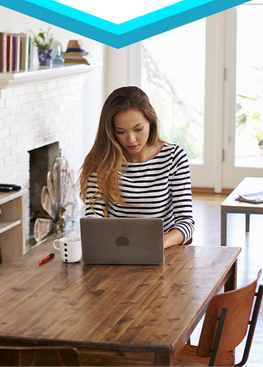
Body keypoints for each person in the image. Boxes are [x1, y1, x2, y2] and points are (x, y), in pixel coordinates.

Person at [78, 86, 194, 249]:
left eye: (138, 129)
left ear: (150, 122)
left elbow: (186, 223)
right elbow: (93, 221)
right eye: (120, 131)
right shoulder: (103, 162)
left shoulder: (174, 157)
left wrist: (159, 243)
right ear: (111, 131)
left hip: (162, 253)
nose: (131, 139)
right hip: (117, 251)